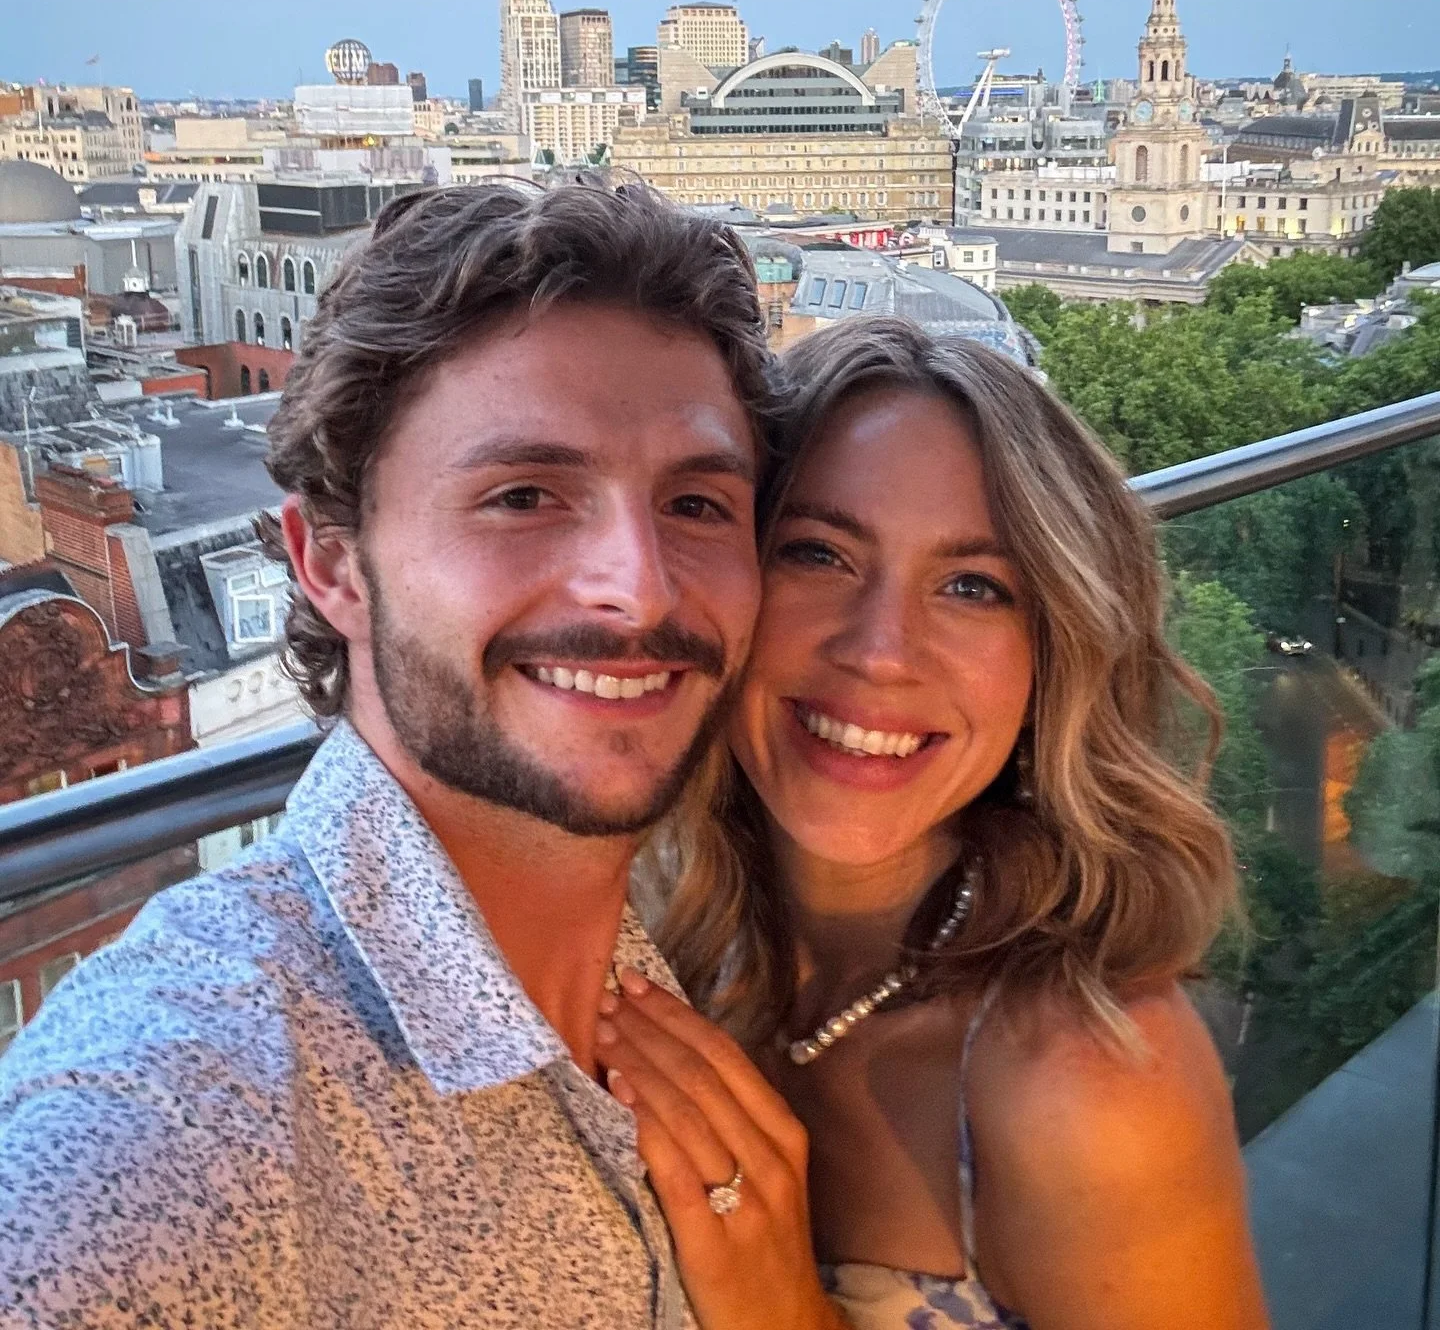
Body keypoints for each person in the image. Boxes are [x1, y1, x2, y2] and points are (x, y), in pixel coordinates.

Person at [0, 181, 783, 1330]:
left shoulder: (663, 962)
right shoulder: (189, 1123)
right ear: (330, 566)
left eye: (699, 504)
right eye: (523, 495)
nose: (640, 586)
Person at [606, 318, 1271, 1330]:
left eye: (973, 587)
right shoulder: (649, 929)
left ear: (1056, 652)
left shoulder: (1087, 1084)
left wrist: (783, 1308)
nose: (881, 652)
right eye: (818, 553)